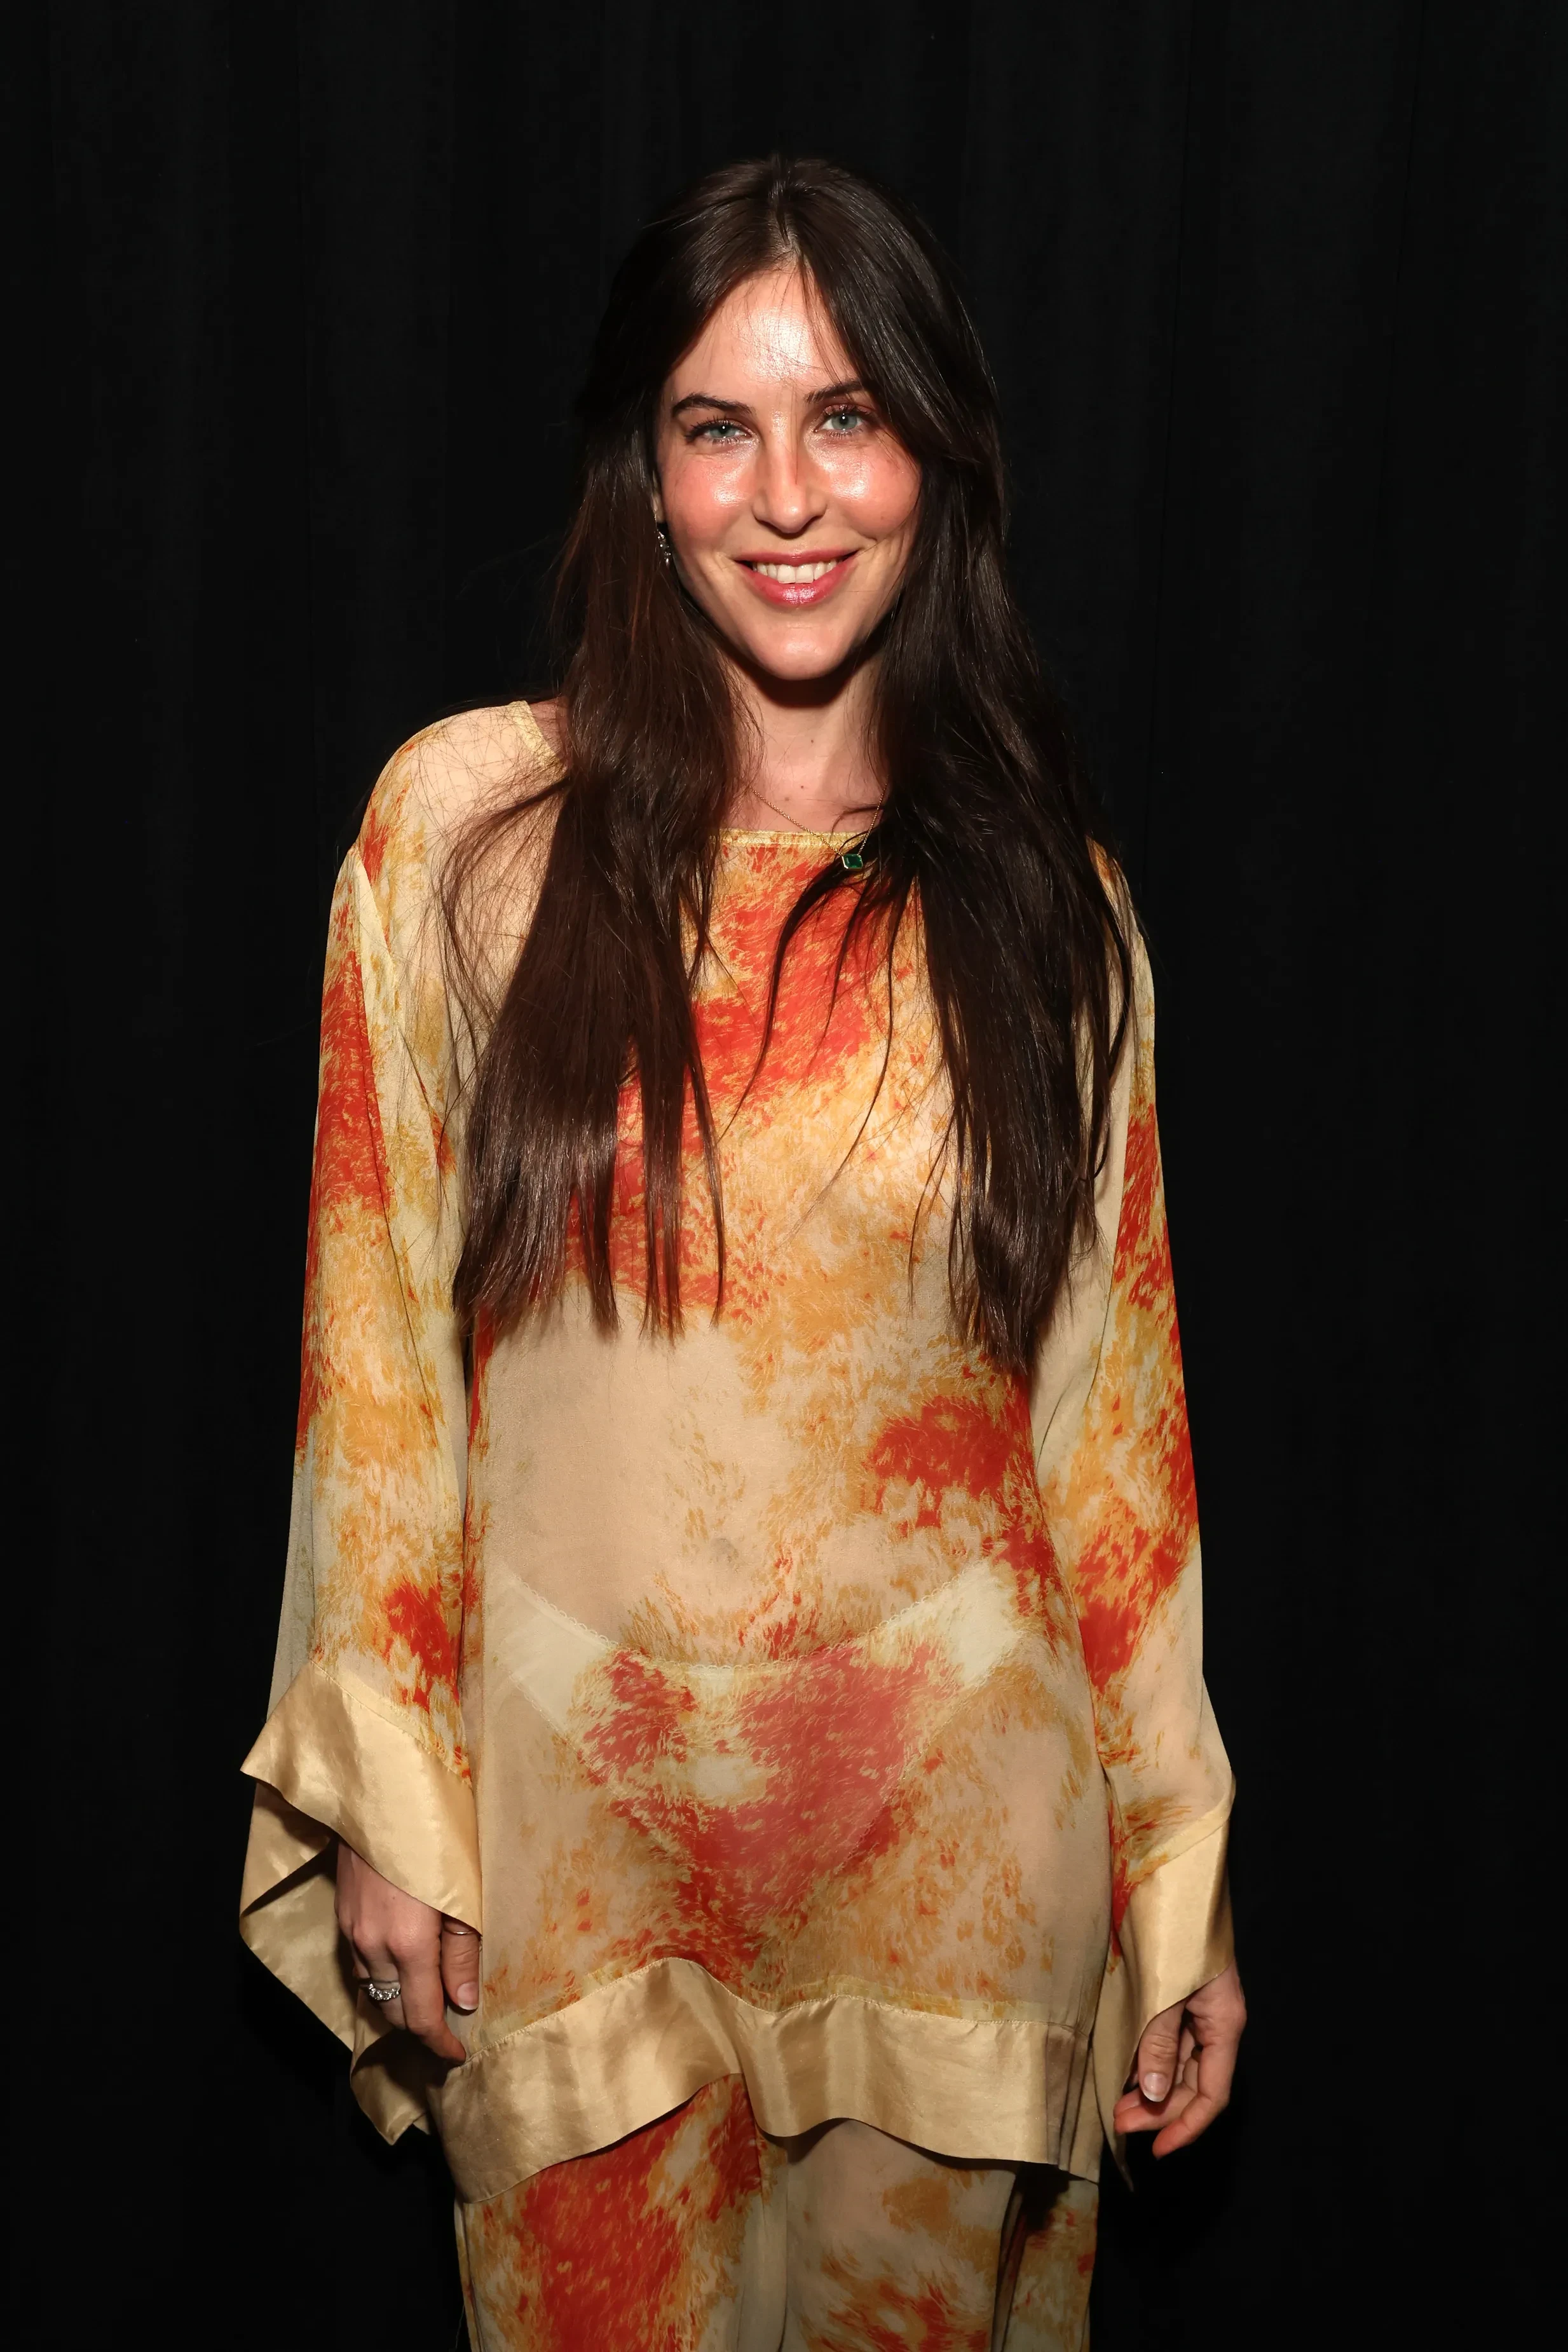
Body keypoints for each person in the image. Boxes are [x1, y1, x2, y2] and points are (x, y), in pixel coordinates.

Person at [240, 153, 1244, 2350]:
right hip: (576, 1873)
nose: (788, 495)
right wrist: (388, 1790)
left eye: (847, 417)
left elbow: (1115, 1445)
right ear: (646, 467)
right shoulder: (464, 840)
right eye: (720, 426)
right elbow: (374, 1366)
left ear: (935, 455)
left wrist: (1181, 1866)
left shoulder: (1050, 907)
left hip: (962, 1869)